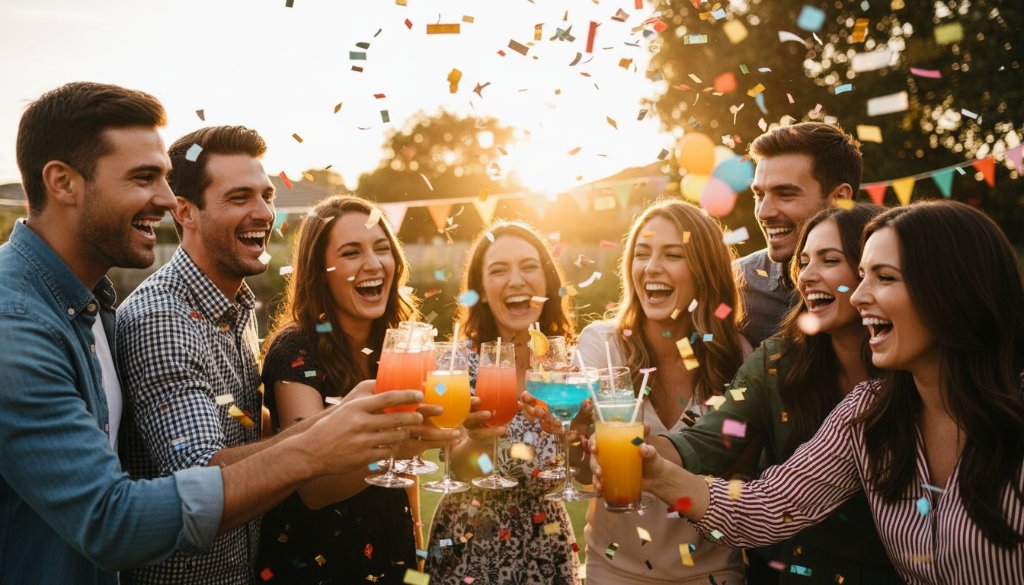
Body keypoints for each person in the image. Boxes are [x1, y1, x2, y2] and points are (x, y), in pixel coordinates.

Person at [0, 81, 423, 584]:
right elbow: (134, 508)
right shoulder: (26, 322)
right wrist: (315, 446)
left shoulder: (99, 304)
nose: (162, 196)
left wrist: (340, 421)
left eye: (266, 195)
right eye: (143, 178)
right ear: (63, 183)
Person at [594, 201, 1024, 583]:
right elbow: (763, 508)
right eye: (859, 277)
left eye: (884, 277)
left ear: (954, 289)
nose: (858, 296)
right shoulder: (865, 411)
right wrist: (659, 474)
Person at [651, 204, 903, 584]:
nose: (807, 276)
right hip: (810, 571)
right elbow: (709, 439)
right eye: (803, 262)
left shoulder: (913, 367)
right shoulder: (778, 361)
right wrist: (638, 453)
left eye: (829, 260)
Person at [256, 195, 451, 584]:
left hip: (392, 553)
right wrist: (399, 445)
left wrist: (417, 551)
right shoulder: (296, 349)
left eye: (382, 248)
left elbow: (406, 475)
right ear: (320, 270)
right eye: (351, 253)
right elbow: (313, 487)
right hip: (317, 564)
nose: (373, 263)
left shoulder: (397, 346)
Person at [573, 199, 750, 584]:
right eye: (641, 253)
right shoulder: (602, 346)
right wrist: (572, 442)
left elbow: (744, 476)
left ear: (705, 271)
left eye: (673, 254)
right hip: (613, 571)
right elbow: (583, 473)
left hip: (713, 572)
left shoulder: (739, 357)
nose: (651, 267)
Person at [426, 221, 581, 585]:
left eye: (529, 267)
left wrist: (582, 434)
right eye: (498, 270)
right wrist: (480, 442)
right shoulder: (459, 364)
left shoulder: (568, 365)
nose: (516, 280)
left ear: (546, 282)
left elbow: (585, 471)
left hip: (548, 549)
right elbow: (459, 470)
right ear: (480, 290)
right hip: (468, 549)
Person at [737, 122, 861, 348]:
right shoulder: (737, 286)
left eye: (785, 194)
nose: (764, 212)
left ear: (840, 199)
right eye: (759, 195)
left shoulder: (887, 280)